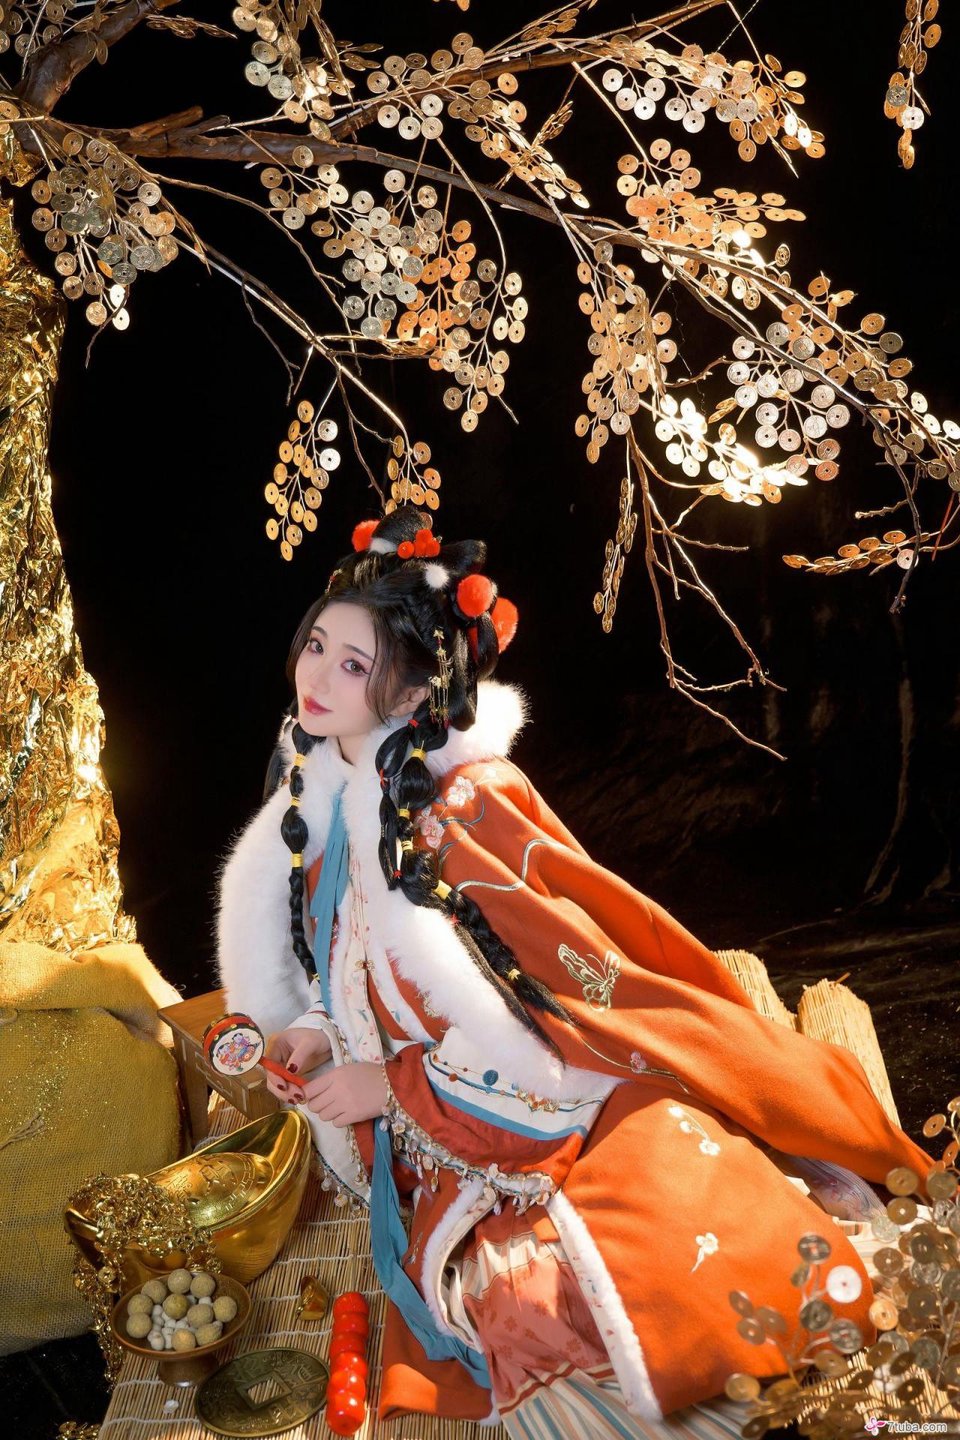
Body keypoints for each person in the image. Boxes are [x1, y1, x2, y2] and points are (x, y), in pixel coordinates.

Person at [217, 506, 934, 1438]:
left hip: (540, 1097)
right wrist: (317, 1033)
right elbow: (349, 973)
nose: (317, 678)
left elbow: (538, 1018)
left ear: (414, 690)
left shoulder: (466, 810)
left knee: (625, 1278)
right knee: (511, 1303)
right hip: (440, 1128)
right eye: (317, 646)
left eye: (353, 665)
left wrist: (387, 1087)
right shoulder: (324, 804)